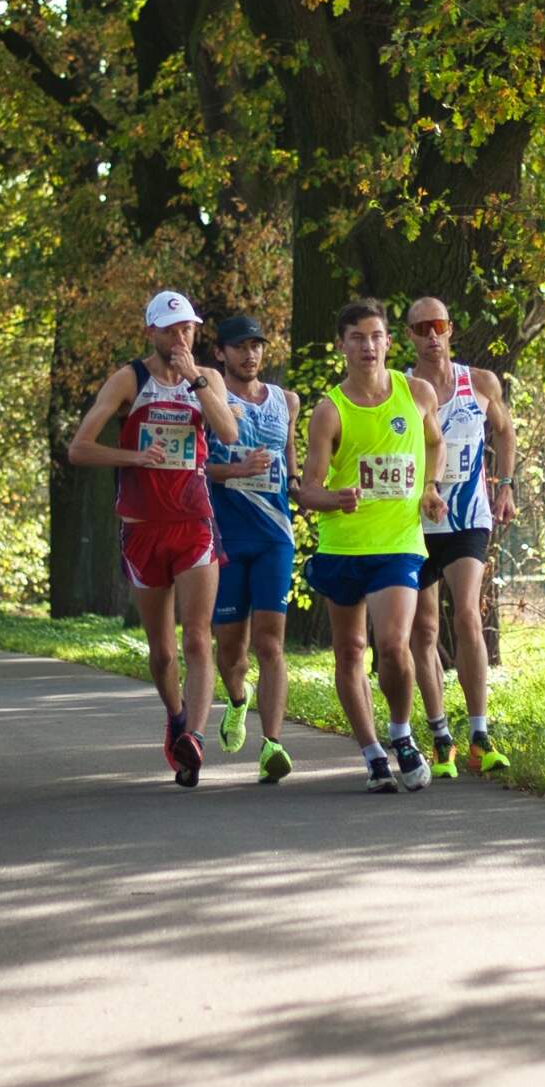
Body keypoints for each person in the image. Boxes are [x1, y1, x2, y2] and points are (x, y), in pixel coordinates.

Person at [67, 290, 239, 788]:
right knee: (162, 653)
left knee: (197, 637)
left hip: (194, 523)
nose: (181, 338)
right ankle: (177, 718)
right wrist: (133, 458)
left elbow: (228, 433)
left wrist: (195, 379)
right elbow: (79, 449)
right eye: (170, 330)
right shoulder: (129, 380)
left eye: (187, 329)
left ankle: (196, 739)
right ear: (151, 333)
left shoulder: (208, 378)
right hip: (143, 528)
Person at [297, 299, 447, 793]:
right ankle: (372, 755)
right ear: (342, 346)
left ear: (389, 341)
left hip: (398, 543)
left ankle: (401, 733)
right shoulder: (330, 411)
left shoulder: (416, 392)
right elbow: (307, 490)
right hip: (344, 547)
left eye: (376, 336)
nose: (368, 346)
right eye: (357, 338)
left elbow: (435, 443)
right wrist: (335, 499)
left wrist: (430, 487)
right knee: (349, 651)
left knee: (393, 645)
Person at [405, 297, 517, 776]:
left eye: (439, 325)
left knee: (468, 613)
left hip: (469, 516)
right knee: (424, 629)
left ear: (450, 329)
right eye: (421, 328)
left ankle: (479, 733)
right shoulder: (402, 389)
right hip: (414, 522)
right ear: (409, 336)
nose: (432, 336)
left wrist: (505, 486)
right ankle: (440, 736)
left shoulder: (481, 383)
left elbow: (505, 431)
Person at [204, 314, 300, 784]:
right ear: (220, 352)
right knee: (231, 651)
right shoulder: (209, 397)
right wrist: (235, 471)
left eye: (256, 345)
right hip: (226, 537)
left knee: (270, 643)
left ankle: (273, 745)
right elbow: (195, 466)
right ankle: (238, 700)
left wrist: (301, 484)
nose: (250, 354)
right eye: (240, 346)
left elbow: (291, 457)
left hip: (275, 536)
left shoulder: (286, 400)